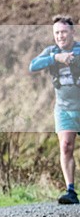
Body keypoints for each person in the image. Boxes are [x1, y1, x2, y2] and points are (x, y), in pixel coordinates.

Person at [29, 15, 80, 204]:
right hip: (64, 109)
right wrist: (56, 58)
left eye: (64, 32)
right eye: (57, 33)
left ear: (72, 32)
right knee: (66, 147)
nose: (60, 36)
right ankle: (71, 190)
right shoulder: (51, 52)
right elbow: (32, 66)